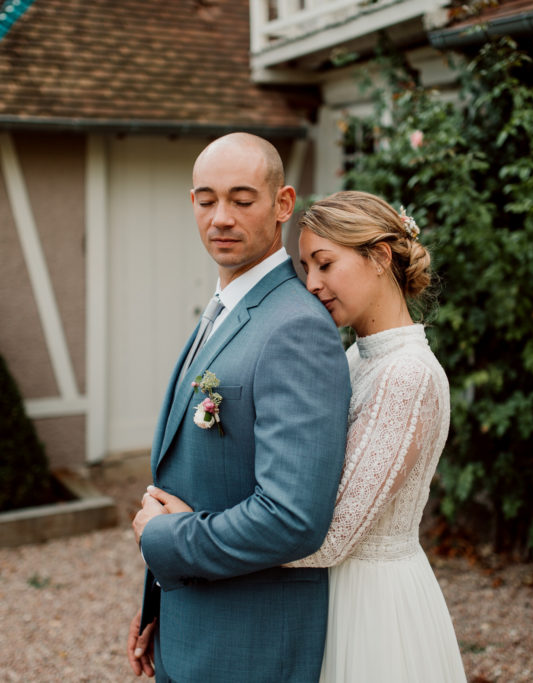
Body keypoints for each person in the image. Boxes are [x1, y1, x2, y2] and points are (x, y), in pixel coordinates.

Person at [146, 190, 468, 682]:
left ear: (379, 257)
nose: (313, 285)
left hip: (371, 607)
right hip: (319, 599)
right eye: (306, 268)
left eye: (325, 264)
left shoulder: (407, 375)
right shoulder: (356, 358)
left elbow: (329, 536)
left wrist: (189, 534)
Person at [126, 133, 351, 683]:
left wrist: (162, 541)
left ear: (282, 203)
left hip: (248, 650)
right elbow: (192, 480)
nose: (220, 217)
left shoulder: (295, 327)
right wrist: (161, 606)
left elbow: (292, 519)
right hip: (192, 628)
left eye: (241, 199)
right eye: (206, 200)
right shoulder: (224, 308)